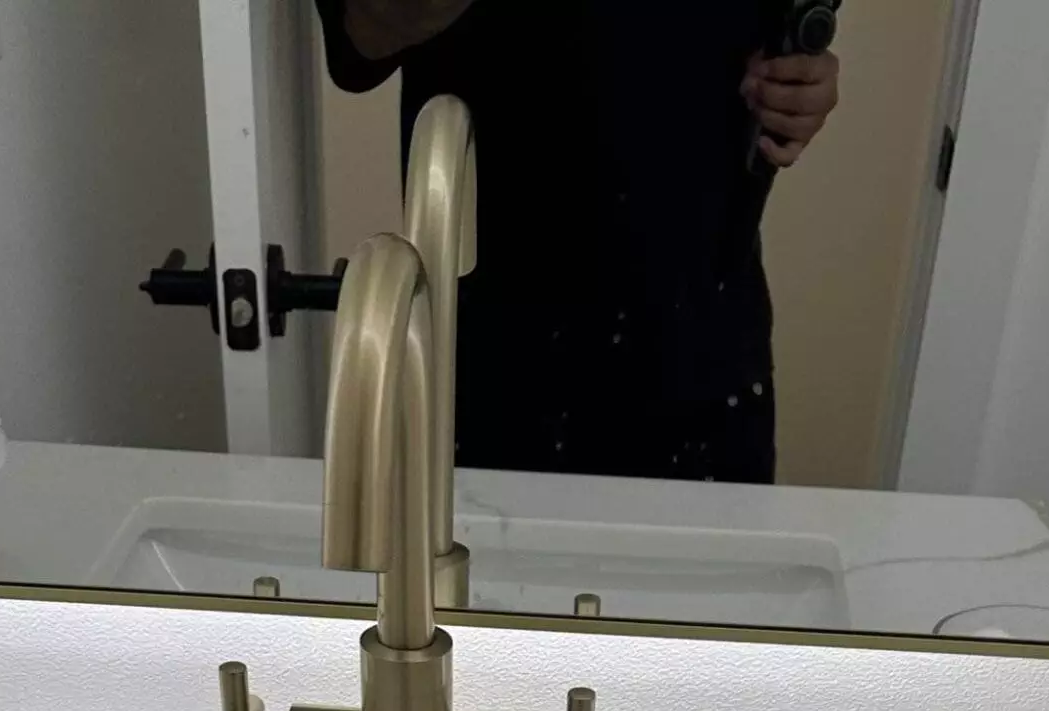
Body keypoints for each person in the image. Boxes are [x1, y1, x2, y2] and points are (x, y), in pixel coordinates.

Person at [314, 3, 841, 485]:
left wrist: (797, 93)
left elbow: (781, 44)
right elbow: (365, 31)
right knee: (470, 584)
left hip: (701, 348)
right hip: (489, 355)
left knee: (707, 582)